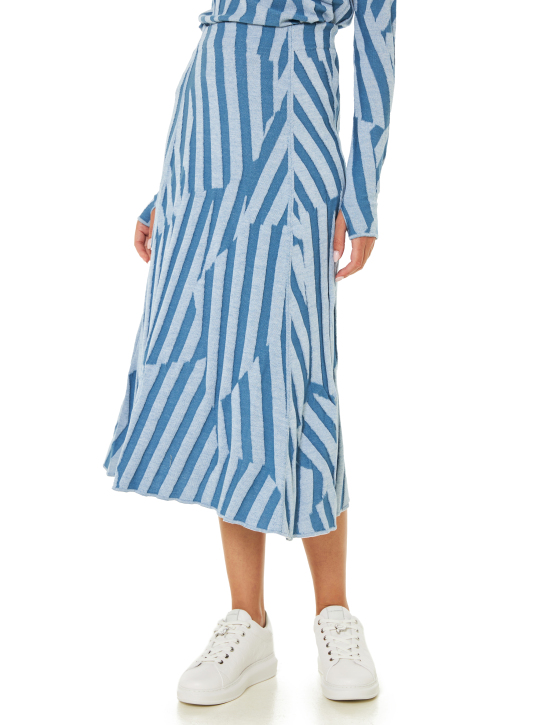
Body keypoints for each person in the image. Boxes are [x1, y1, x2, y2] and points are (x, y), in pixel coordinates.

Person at [104, 0, 395, 706]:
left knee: (300, 367)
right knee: (226, 364)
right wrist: (166, 190)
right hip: (206, 140)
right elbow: (222, 42)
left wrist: (361, 194)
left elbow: (376, 49)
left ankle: (334, 613)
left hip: (295, 133)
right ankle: (248, 619)